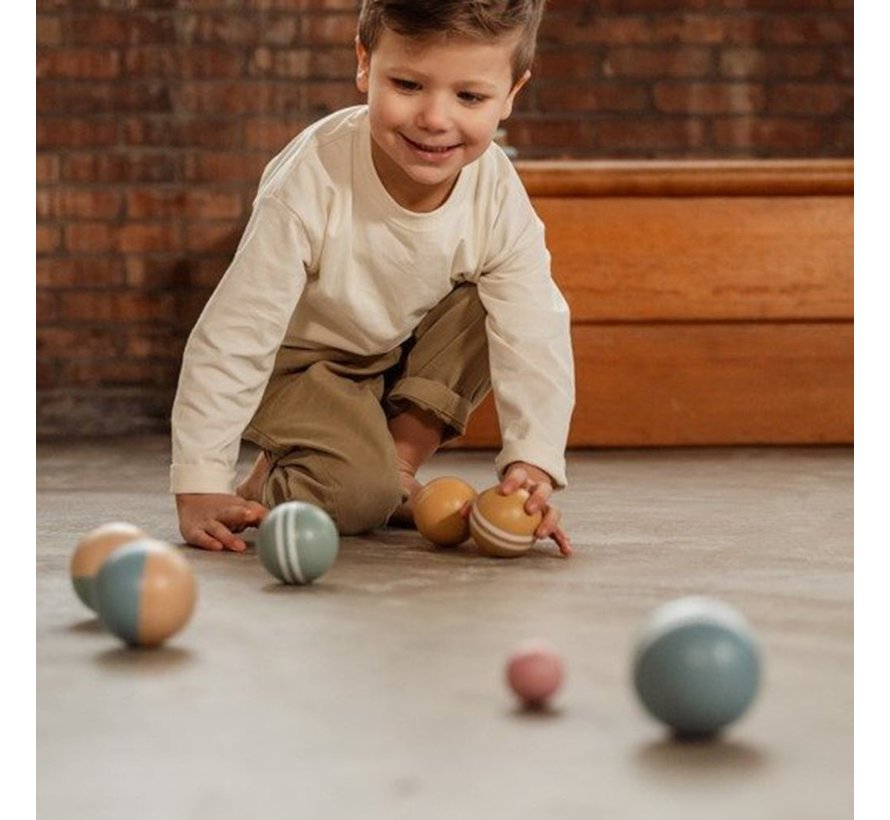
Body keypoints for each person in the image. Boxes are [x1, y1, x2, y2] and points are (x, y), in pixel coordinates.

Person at [170, 0, 576, 556]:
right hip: (293, 367)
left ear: (511, 94)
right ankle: (279, 477)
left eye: (469, 96)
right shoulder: (313, 178)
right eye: (408, 84)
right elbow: (237, 332)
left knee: (502, 301)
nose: (435, 118)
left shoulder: (496, 193)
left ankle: (399, 467)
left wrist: (533, 463)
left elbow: (535, 332)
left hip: (385, 358)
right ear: (365, 64)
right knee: (357, 498)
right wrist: (200, 483)